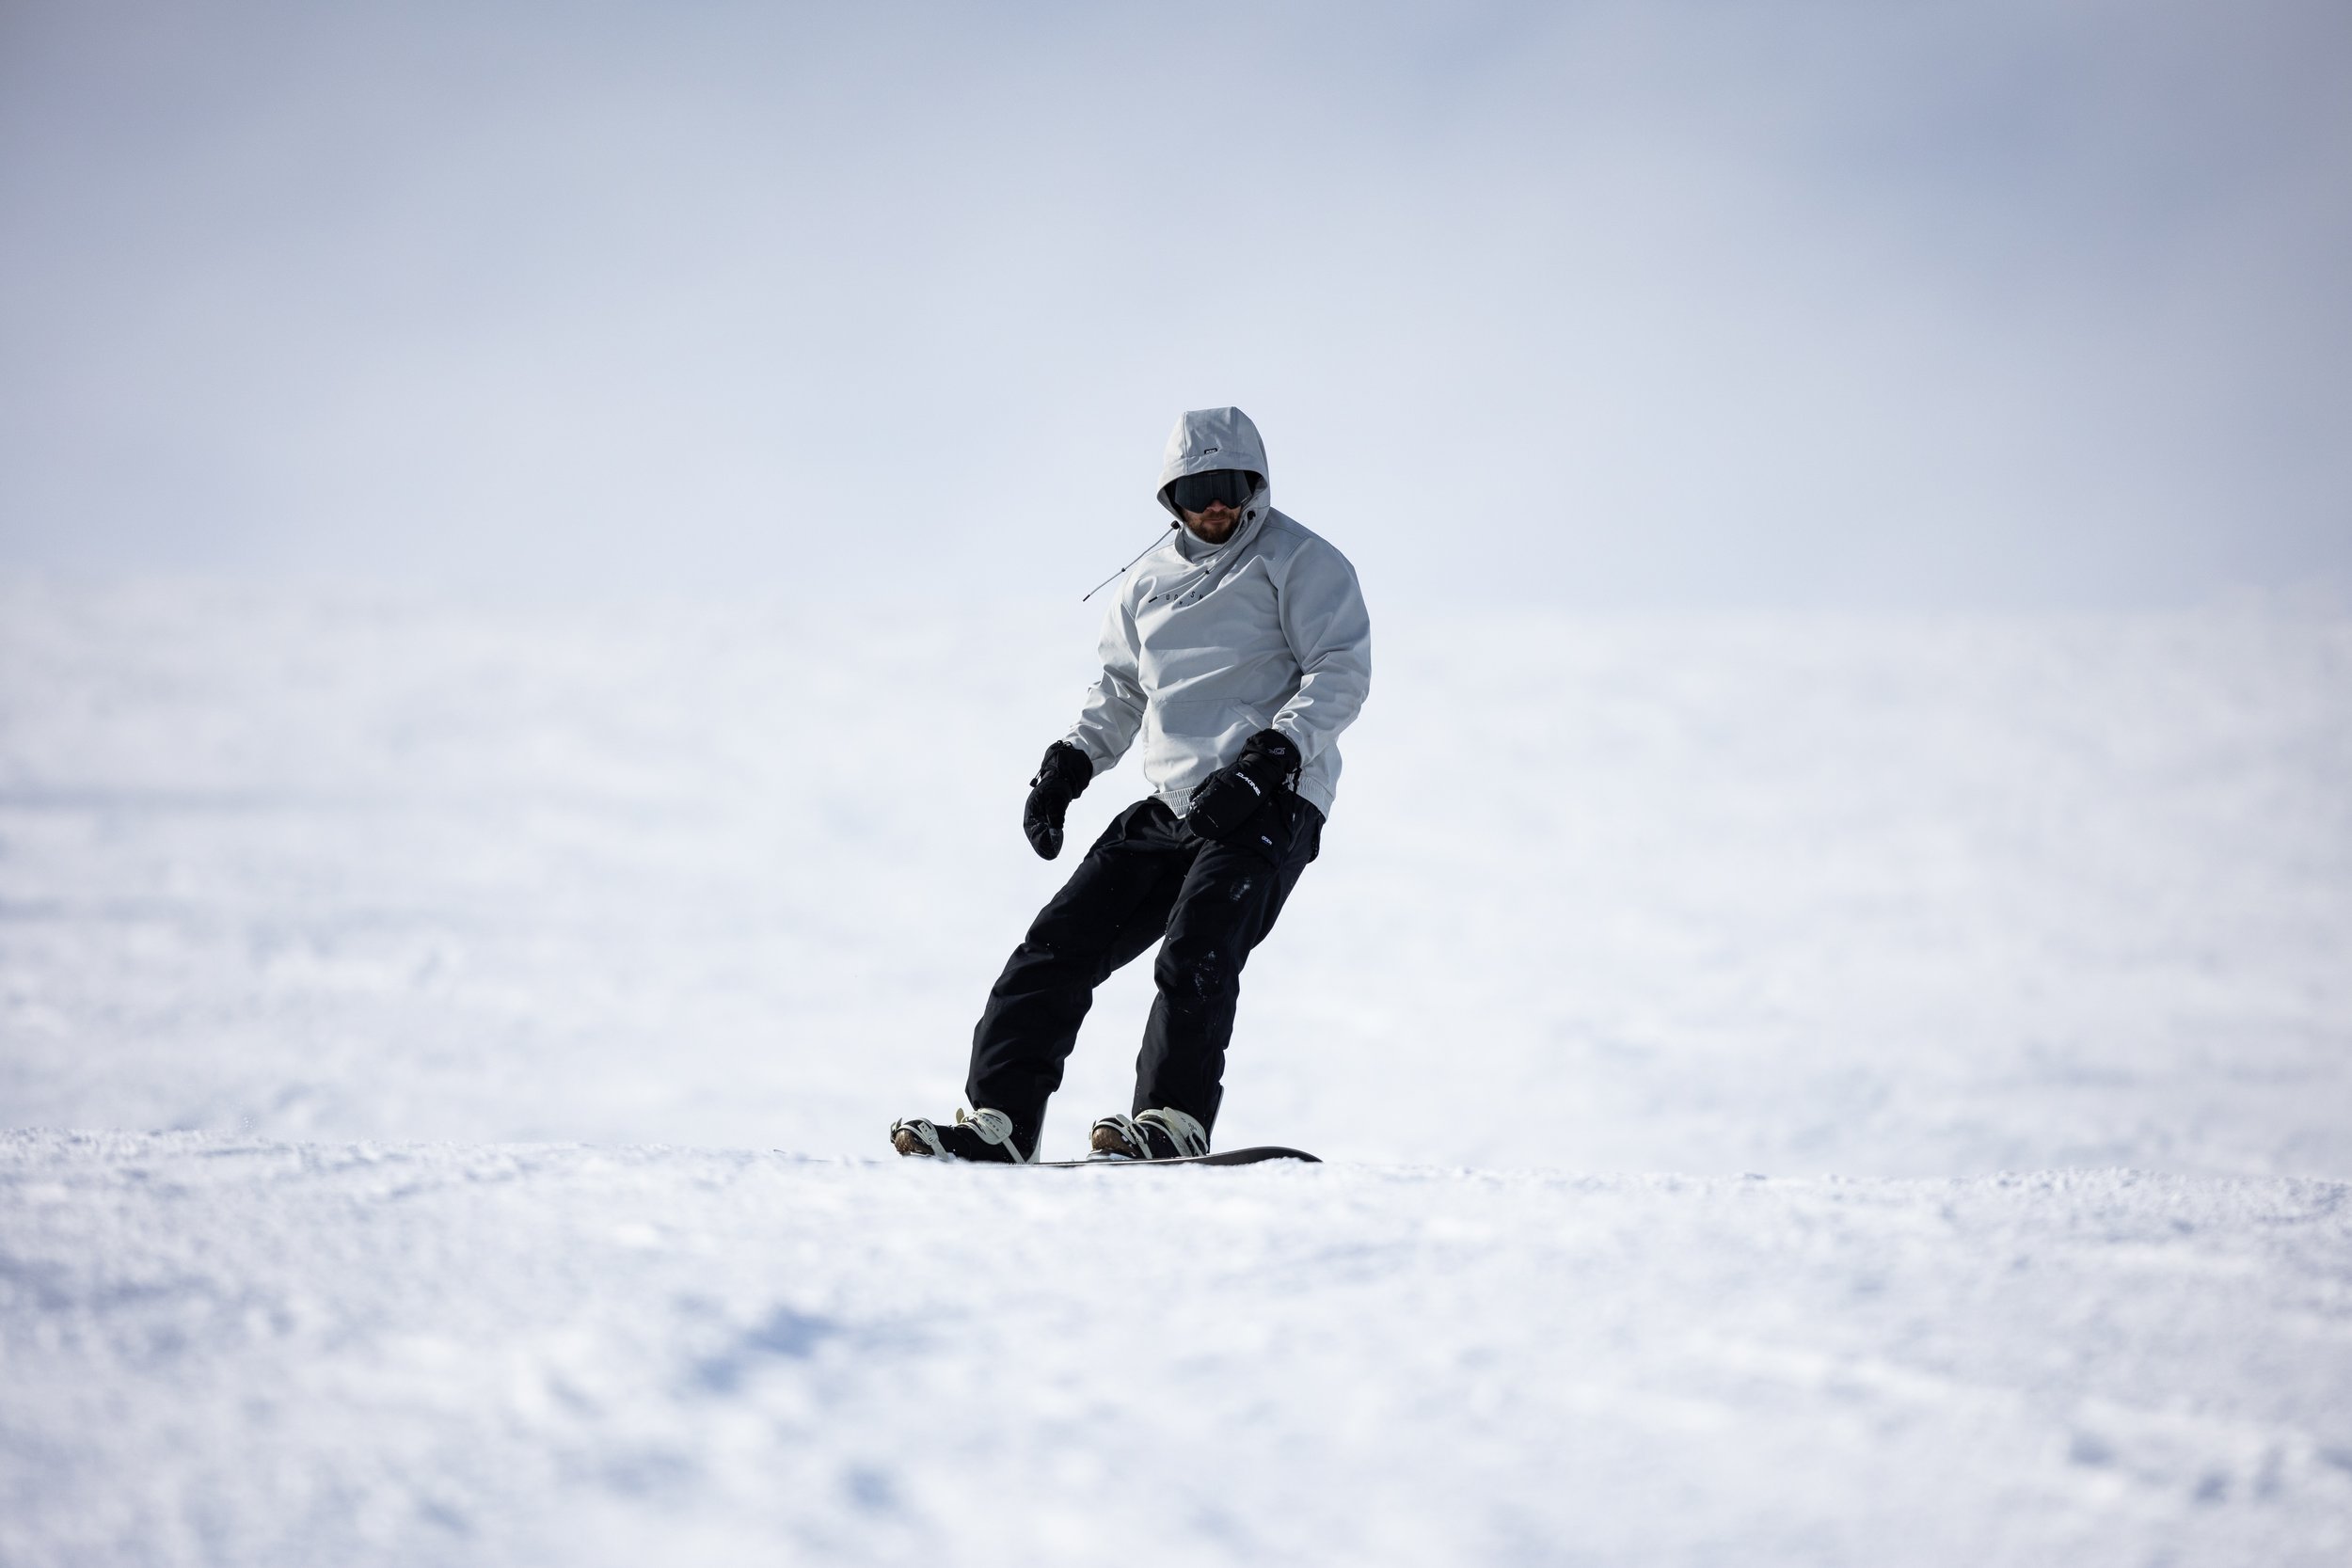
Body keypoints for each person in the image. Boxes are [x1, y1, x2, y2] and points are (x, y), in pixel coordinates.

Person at [891, 406, 1373, 1163]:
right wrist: (1069, 765)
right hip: (1175, 802)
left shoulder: (1300, 561)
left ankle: (1173, 1118)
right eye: (1197, 488)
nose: (1216, 504)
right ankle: (1000, 1122)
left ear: (1258, 484)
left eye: (1231, 485)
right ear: (1170, 499)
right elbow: (1120, 690)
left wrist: (1272, 758)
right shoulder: (1145, 584)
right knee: (1053, 949)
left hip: (1269, 799)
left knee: (1199, 947)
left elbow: (1340, 668)